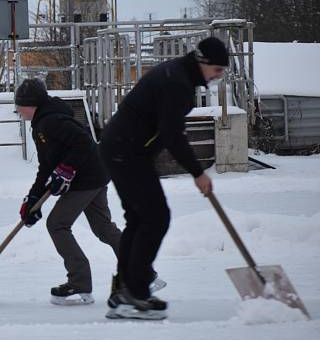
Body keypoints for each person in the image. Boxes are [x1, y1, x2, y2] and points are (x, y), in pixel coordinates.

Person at [99, 36, 228, 320]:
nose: (219, 75)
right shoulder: (177, 83)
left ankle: (126, 290)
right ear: (202, 62)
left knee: (139, 218)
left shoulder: (177, 74)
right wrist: (197, 172)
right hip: (127, 150)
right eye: (217, 69)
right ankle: (136, 293)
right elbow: (172, 134)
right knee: (156, 217)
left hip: (124, 148)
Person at [15, 78, 127, 305]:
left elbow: (84, 143)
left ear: (32, 103)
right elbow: (46, 166)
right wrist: (33, 198)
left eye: (20, 105)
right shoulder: (42, 123)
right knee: (103, 228)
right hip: (95, 175)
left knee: (57, 224)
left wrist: (66, 169)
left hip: (86, 179)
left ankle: (79, 283)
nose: (17, 110)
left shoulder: (51, 121)